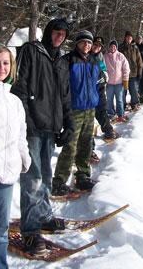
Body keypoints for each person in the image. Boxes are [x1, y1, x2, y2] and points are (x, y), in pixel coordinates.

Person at [11, 18, 74, 256]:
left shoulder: (61, 59)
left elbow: (65, 95)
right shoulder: (31, 51)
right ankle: (30, 229)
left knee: (46, 175)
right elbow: (20, 88)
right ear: (49, 32)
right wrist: (25, 122)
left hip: (51, 126)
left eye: (63, 34)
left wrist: (68, 122)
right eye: (56, 32)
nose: (59, 37)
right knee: (32, 178)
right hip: (33, 124)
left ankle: (44, 215)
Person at [0, 44, 31, 269]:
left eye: (6, 63)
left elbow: (21, 134)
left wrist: (24, 156)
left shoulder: (14, 102)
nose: (1, 68)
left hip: (4, 178)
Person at [52, 30, 102, 195]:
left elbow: (99, 83)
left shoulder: (95, 61)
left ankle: (82, 176)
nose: (86, 45)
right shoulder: (68, 60)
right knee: (70, 147)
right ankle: (59, 181)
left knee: (86, 145)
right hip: (74, 110)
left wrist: (99, 95)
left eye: (89, 43)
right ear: (77, 43)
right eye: (83, 42)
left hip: (90, 110)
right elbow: (61, 87)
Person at [92, 37, 118, 140]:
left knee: (101, 110)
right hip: (89, 90)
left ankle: (108, 130)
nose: (97, 47)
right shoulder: (86, 55)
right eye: (95, 45)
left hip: (100, 88)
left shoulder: (100, 56)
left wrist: (105, 75)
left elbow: (103, 68)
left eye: (99, 46)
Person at [104, 39, 130, 122]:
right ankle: (110, 113)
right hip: (109, 83)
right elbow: (102, 68)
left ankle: (120, 114)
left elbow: (126, 68)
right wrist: (104, 78)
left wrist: (125, 80)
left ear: (116, 47)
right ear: (109, 47)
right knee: (109, 100)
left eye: (114, 46)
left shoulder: (120, 56)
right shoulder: (105, 56)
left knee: (119, 99)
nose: (112, 48)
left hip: (119, 83)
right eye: (111, 46)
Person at [119, 30, 143, 111]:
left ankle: (134, 104)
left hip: (133, 73)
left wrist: (139, 73)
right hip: (123, 75)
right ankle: (123, 105)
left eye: (130, 37)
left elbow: (139, 61)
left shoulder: (135, 47)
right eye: (127, 37)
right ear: (125, 38)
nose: (129, 38)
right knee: (123, 91)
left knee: (134, 90)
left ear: (132, 38)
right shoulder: (120, 47)